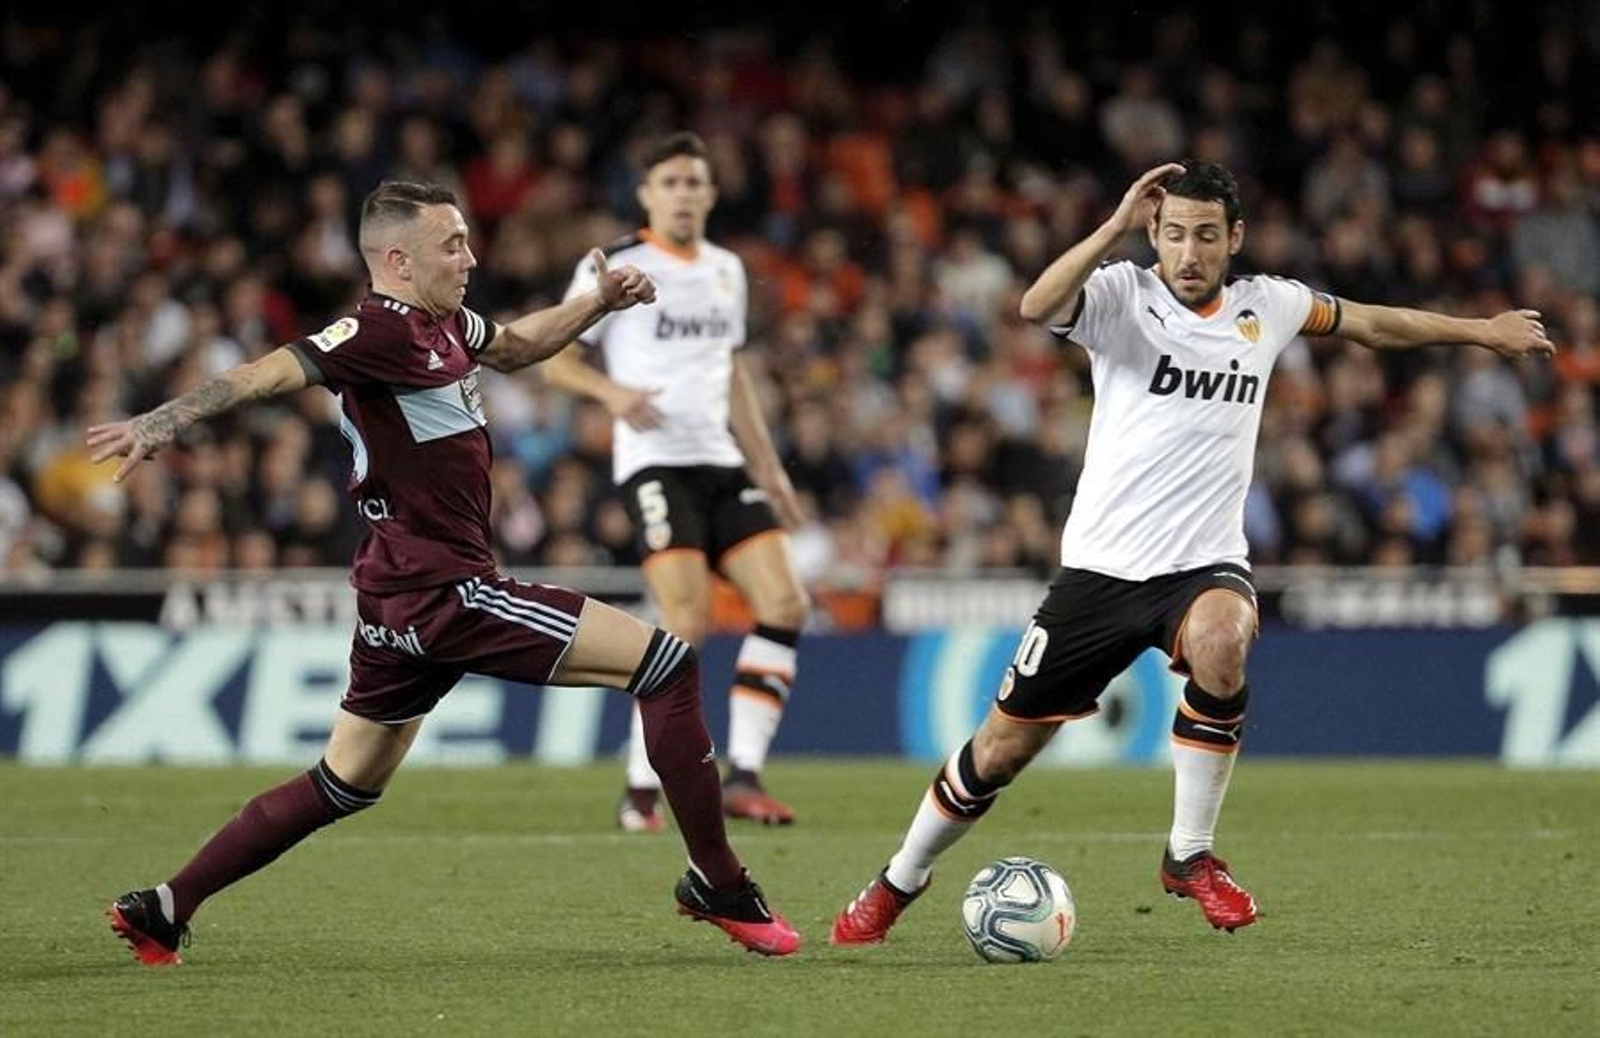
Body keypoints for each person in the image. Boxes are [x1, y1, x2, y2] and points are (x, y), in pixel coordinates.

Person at [830, 160, 1554, 943]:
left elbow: (1374, 323)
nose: (1188, 252)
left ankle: (1189, 854)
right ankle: (898, 881)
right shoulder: (1119, 295)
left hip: (1201, 566)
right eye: (1173, 234)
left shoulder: (1267, 306)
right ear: (1154, 234)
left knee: (1222, 640)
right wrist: (1110, 228)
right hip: (1100, 574)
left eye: (1205, 235)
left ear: (1233, 238)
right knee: (1000, 749)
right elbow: (1036, 304)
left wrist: (1481, 332)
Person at [91, 181, 800, 965]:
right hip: (448, 592)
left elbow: (521, 347)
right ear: (397, 259)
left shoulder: (445, 325)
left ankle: (165, 906)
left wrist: (596, 302)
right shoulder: (370, 329)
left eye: (466, 240)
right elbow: (265, 374)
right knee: (666, 666)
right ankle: (718, 881)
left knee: (344, 782)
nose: (470, 257)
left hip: (395, 595)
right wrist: (160, 424)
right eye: (451, 245)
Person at [541, 132, 809, 831]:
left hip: (721, 461)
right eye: (672, 182)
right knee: (686, 621)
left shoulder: (726, 269)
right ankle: (639, 786)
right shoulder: (617, 263)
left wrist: (769, 466)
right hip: (656, 464)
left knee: (785, 601)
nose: (685, 193)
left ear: (712, 194)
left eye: (696, 182)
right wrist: (612, 395)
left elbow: (733, 373)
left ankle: (745, 773)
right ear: (647, 194)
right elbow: (553, 357)